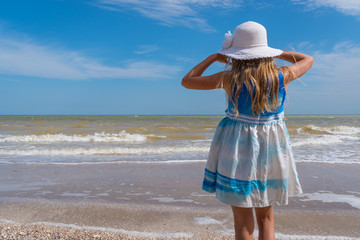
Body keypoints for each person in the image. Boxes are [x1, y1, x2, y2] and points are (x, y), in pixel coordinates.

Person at [181, 21, 313, 240]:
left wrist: (214, 57)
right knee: (267, 219)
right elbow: (308, 59)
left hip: (236, 147)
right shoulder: (282, 75)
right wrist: (277, 53)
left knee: (242, 222)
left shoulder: (228, 79)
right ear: (266, 52)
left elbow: (187, 81)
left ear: (235, 54)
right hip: (271, 149)